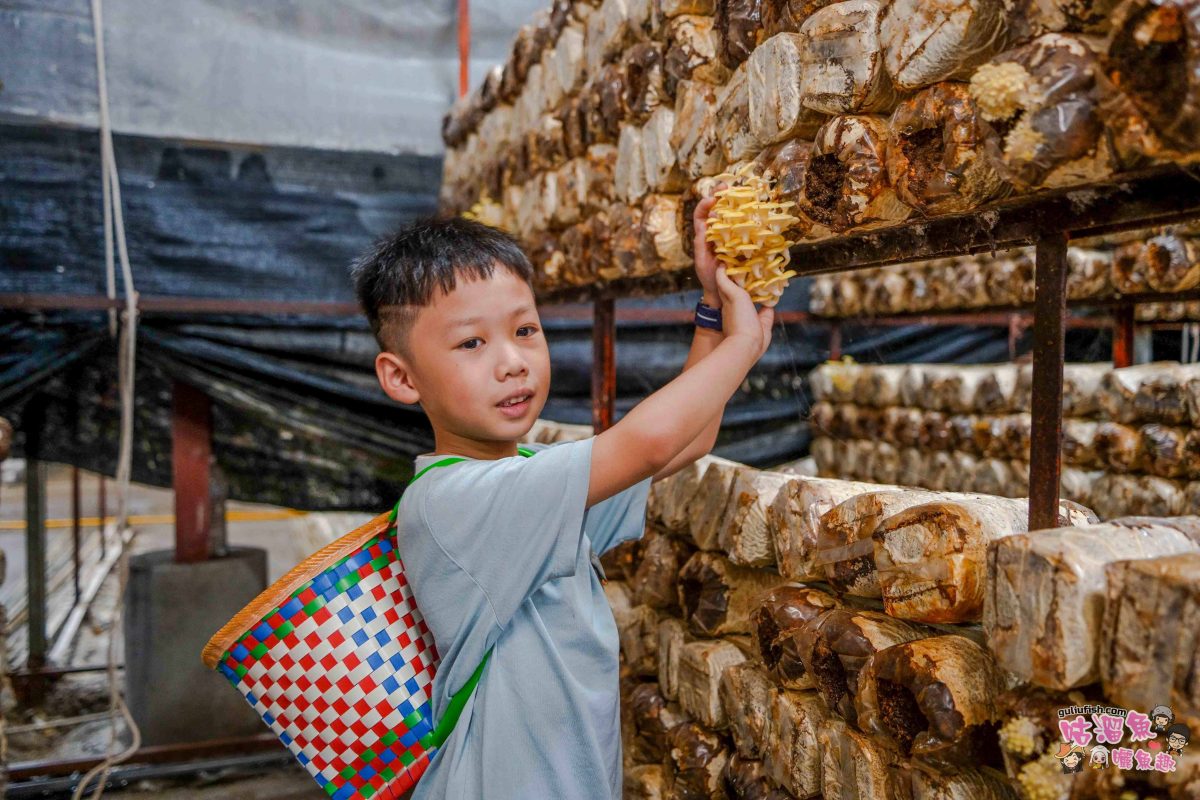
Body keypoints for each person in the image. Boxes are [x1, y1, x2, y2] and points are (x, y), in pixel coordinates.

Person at [350, 199, 775, 799]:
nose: (512, 363)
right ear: (402, 377)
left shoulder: (528, 473)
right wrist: (742, 344)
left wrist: (713, 311)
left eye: (525, 330)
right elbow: (649, 442)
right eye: (471, 343)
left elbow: (689, 439)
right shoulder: (453, 501)